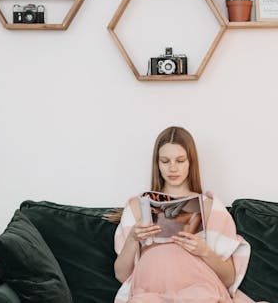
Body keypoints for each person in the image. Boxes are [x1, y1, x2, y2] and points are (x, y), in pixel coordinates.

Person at [108, 126, 256, 303]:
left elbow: (229, 279)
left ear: (190, 162)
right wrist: (132, 238)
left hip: (199, 289)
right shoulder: (137, 206)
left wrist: (204, 251)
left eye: (180, 160)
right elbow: (122, 275)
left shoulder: (209, 207)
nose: (173, 168)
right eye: (165, 161)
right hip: (149, 291)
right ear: (157, 164)